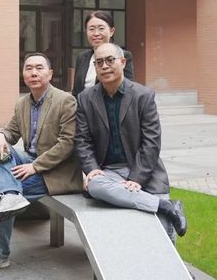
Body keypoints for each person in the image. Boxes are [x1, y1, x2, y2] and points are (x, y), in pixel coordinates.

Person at [0, 53, 83, 274]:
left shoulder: (66, 101)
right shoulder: (22, 103)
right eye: (28, 68)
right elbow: (10, 132)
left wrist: (35, 167)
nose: (33, 72)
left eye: (39, 68)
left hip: (57, 171)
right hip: (29, 160)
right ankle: (10, 195)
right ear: (23, 74)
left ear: (50, 74)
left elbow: (68, 143)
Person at [74, 42, 187, 242]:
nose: (104, 66)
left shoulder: (143, 96)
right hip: (108, 172)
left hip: (144, 170)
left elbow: (151, 142)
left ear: (123, 62)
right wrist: (91, 168)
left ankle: (173, 263)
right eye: (99, 62)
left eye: (110, 60)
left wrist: (137, 178)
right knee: (95, 185)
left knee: (164, 228)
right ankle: (165, 206)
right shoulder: (85, 98)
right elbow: (82, 140)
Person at [72, 10, 134, 97]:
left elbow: (127, 88)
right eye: (91, 29)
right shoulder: (82, 57)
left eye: (101, 28)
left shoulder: (123, 56)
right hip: (83, 105)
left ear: (111, 31)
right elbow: (76, 91)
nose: (96, 33)